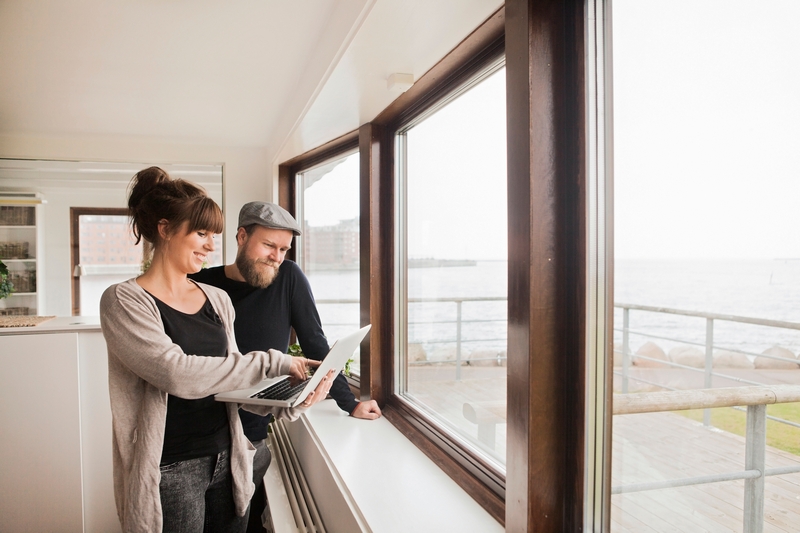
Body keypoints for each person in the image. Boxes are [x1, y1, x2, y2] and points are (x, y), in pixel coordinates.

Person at [99, 167, 335, 533]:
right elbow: (175, 373)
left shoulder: (217, 298)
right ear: (165, 229)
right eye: (201, 233)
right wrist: (274, 362)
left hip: (231, 456)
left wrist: (289, 401)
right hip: (170, 467)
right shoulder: (124, 300)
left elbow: (230, 381)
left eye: (213, 235)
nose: (211, 246)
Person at [190, 201, 381, 532]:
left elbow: (315, 341)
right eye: (268, 245)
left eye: (283, 249)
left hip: (252, 435)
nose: (276, 257)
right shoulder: (201, 283)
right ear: (241, 236)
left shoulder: (289, 277)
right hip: (200, 434)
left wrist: (348, 402)